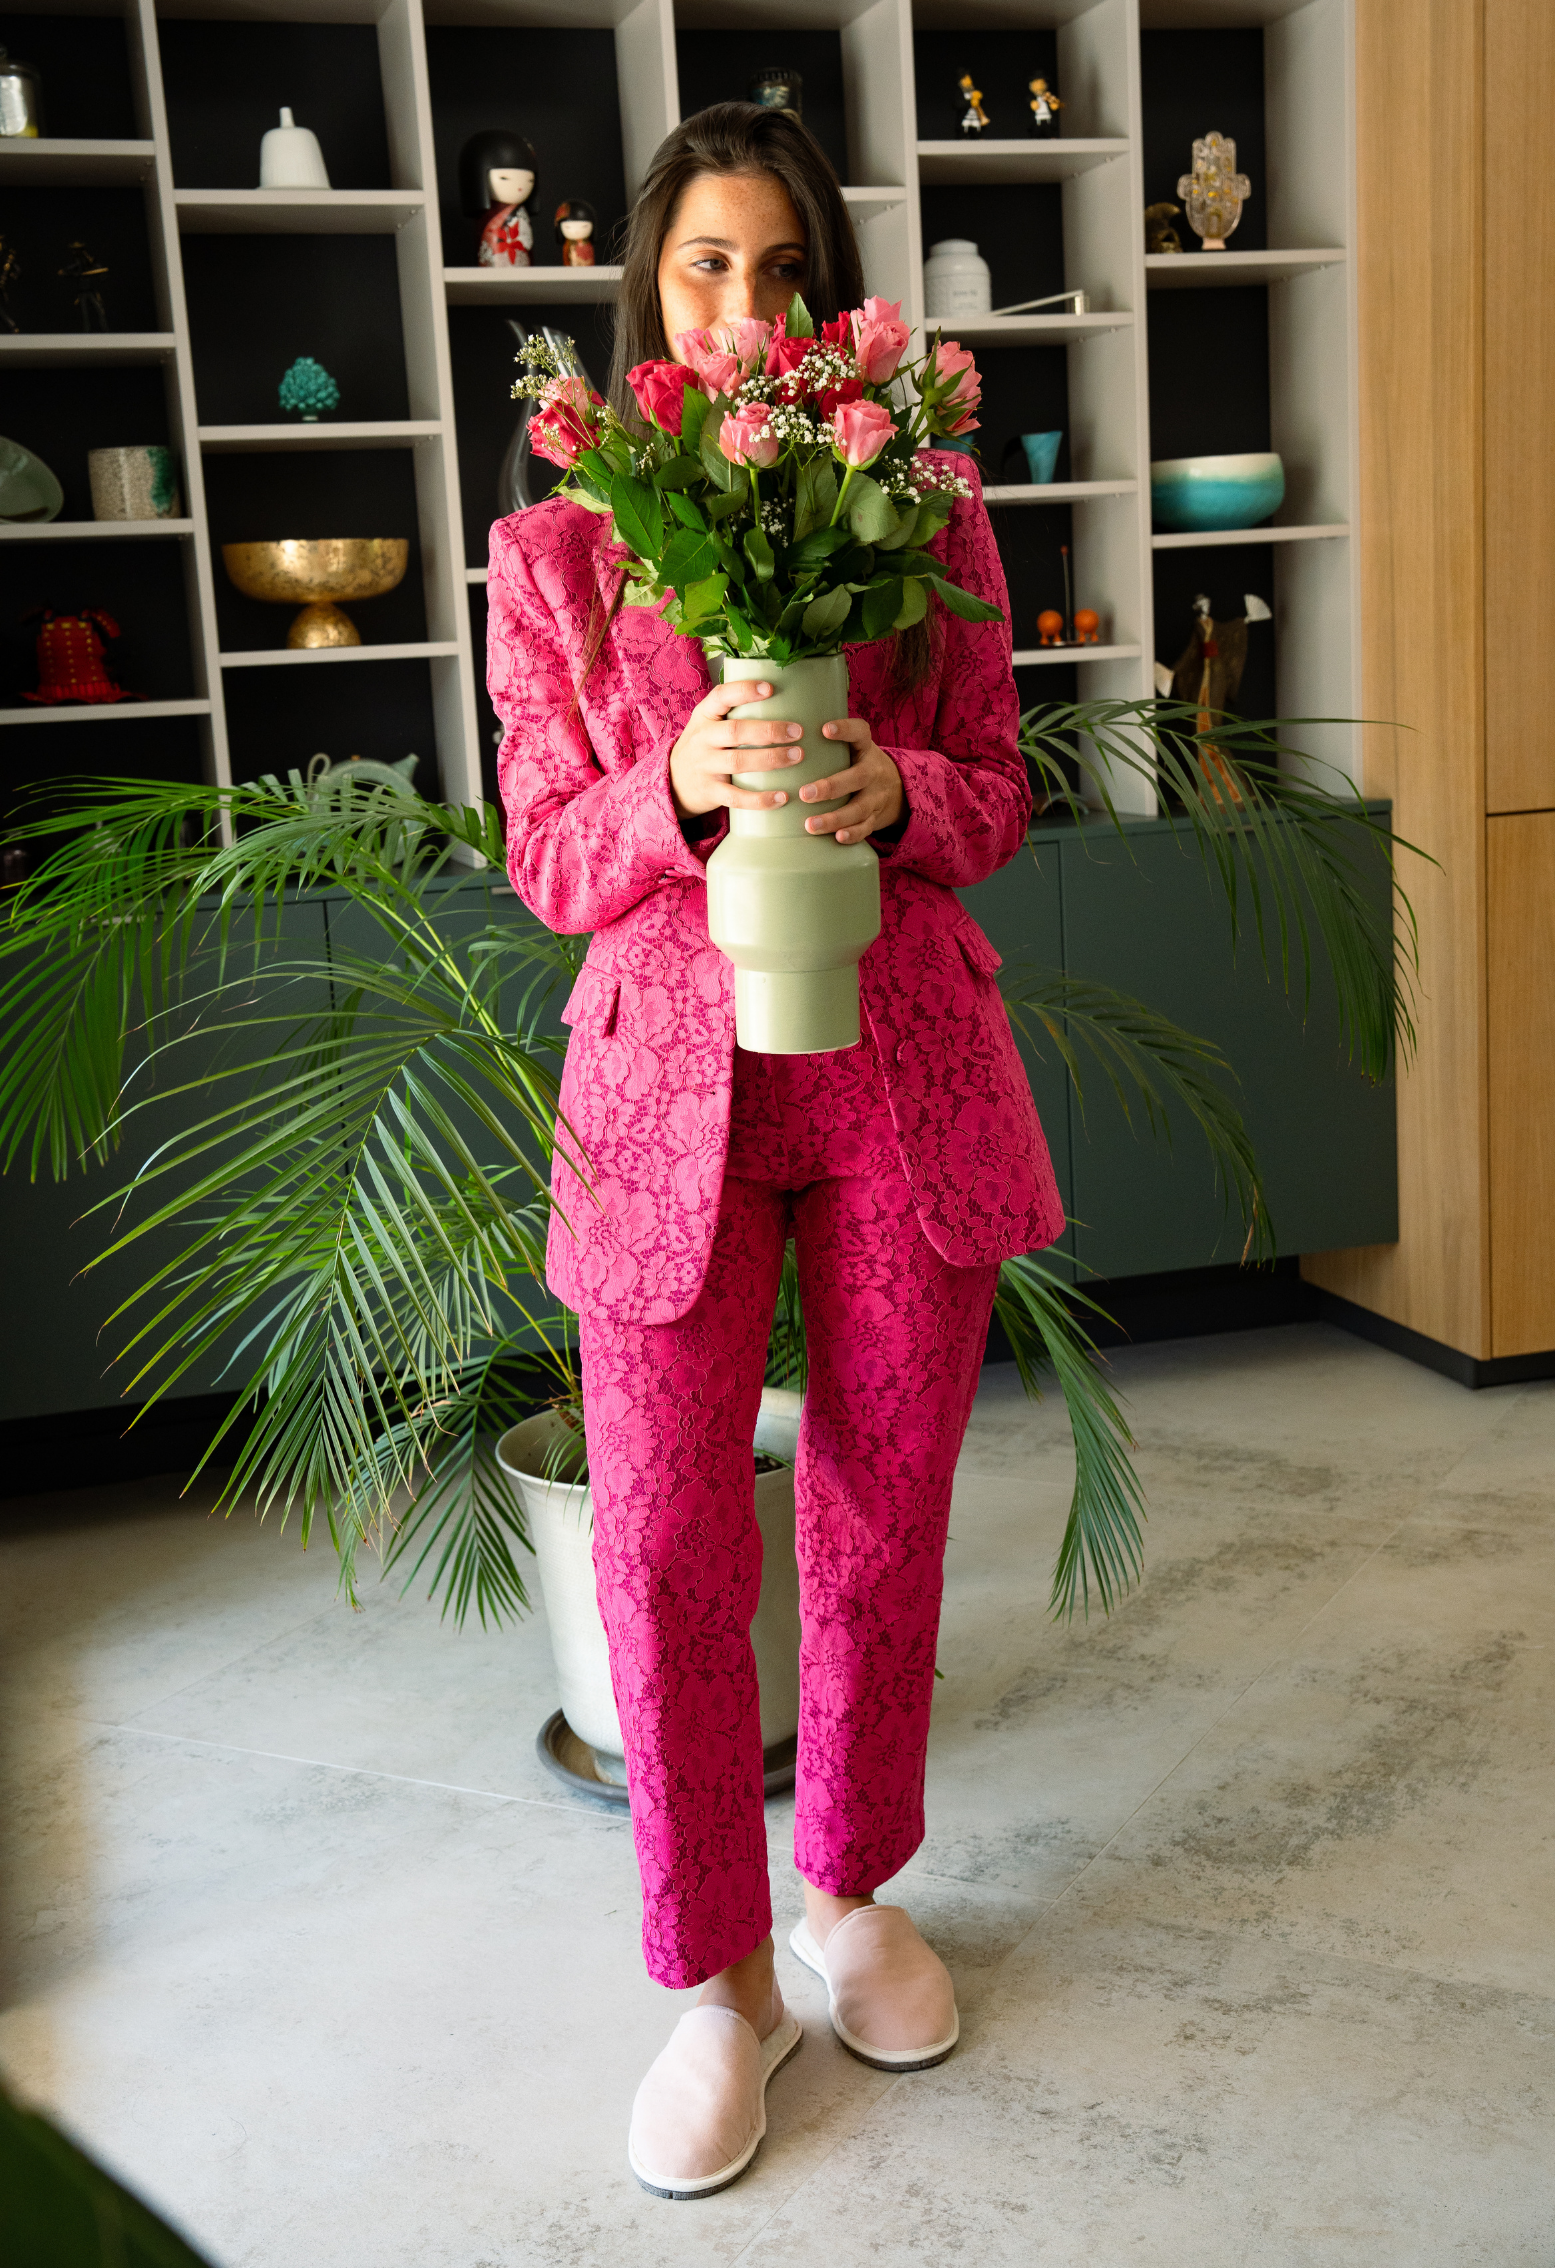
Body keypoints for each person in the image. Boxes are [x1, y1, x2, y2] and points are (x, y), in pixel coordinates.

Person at [488, 101, 1063, 2202]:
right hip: (665, 1100)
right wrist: (673, 782)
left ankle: (850, 1898)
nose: (745, 306)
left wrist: (897, 791)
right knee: (656, 1539)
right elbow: (547, 856)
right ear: (651, 296)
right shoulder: (560, 551)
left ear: (833, 301)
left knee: (883, 1510)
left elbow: (998, 791)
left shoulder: (932, 505)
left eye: (783, 269)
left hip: (896, 1062)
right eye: (707, 267)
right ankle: (715, 1981)